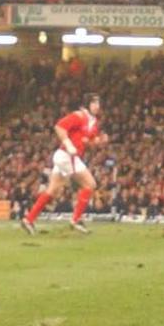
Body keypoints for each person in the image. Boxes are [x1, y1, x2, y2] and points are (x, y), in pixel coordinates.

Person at [23, 93, 102, 234]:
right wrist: (68, 143)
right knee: (90, 184)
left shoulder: (94, 122)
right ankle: (76, 220)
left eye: (98, 103)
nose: (97, 106)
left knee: (52, 190)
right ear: (87, 104)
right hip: (66, 155)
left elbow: (88, 141)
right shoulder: (79, 116)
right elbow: (59, 127)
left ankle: (29, 219)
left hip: (68, 157)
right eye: (94, 103)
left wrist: (96, 142)